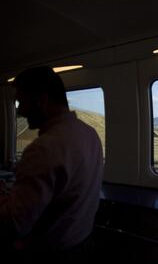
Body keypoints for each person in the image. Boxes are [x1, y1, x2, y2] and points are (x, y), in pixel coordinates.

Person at [0, 66, 103, 256]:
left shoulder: (43, 149)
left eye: (22, 102)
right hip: (82, 243)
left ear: (41, 101)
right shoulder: (90, 134)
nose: (21, 111)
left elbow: (14, 225)